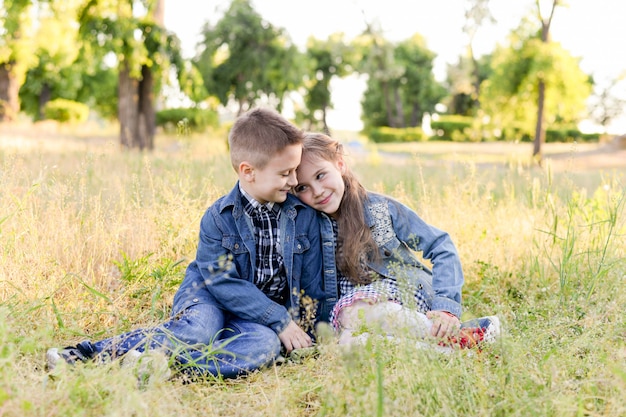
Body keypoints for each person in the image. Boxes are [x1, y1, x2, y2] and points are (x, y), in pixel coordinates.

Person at [47, 108, 331, 379]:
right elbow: (221, 282)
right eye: (285, 173)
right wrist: (279, 317)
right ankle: (87, 355)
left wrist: (309, 329)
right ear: (248, 171)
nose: (294, 181)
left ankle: (167, 366)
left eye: (295, 171)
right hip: (210, 297)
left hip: (256, 316)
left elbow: (310, 280)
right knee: (199, 331)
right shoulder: (218, 218)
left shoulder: (302, 215)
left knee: (264, 345)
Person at [293, 132, 500, 350]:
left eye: (320, 175)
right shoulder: (307, 226)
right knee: (349, 344)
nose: (317, 191)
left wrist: (446, 307)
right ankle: (458, 350)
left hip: (404, 293)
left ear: (340, 164)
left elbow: (441, 245)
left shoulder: (379, 209)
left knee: (354, 312)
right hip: (355, 318)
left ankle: (459, 332)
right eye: (302, 188)